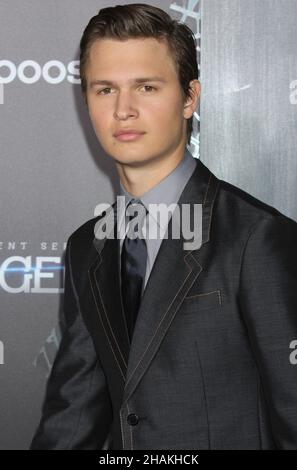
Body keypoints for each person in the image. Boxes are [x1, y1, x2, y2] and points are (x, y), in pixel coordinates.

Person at [30, 4, 297, 450]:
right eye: (104, 90)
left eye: (146, 87)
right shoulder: (87, 246)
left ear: (190, 96)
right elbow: (73, 412)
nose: (124, 110)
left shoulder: (258, 239)